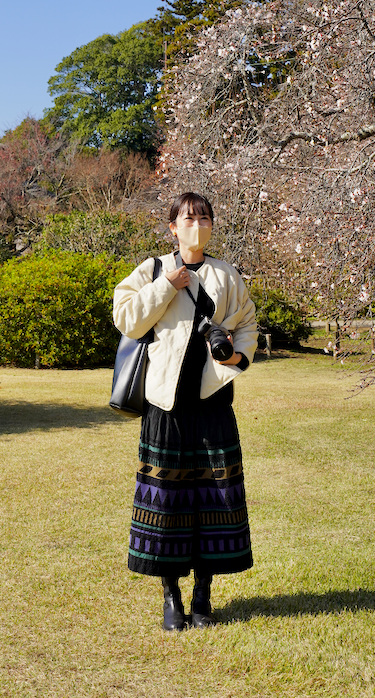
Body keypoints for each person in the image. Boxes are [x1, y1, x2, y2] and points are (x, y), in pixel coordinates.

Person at [113, 192, 258, 631]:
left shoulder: (226, 274)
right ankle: (171, 596)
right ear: (172, 227)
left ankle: (203, 597)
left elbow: (248, 322)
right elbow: (126, 318)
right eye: (187, 218)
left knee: (215, 499)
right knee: (168, 504)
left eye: (204, 217)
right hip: (165, 407)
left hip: (212, 405)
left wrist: (235, 357)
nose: (196, 223)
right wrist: (166, 285)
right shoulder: (153, 269)